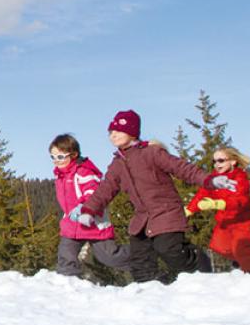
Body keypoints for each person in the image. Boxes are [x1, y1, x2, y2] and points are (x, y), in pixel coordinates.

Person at [69, 109, 228, 283]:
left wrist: (209, 180)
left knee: (169, 250)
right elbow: (105, 189)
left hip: (166, 213)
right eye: (110, 132)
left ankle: (199, 262)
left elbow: (182, 168)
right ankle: (153, 289)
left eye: (118, 131)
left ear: (131, 132)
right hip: (142, 219)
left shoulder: (152, 153)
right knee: (140, 261)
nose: (113, 135)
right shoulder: (118, 164)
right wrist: (89, 210)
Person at [50, 133, 131, 277]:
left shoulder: (84, 171)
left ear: (74, 154)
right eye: (53, 157)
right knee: (66, 253)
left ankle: (141, 257)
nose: (56, 161)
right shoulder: (61, 175)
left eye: (60, 157)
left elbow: (93, 193)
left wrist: (82, 208)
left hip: (92, 221)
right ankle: (67, 279)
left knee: (109, 256)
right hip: (72, 222)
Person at [187, 145, 250, 273]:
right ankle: (241, 260)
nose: (217, 164)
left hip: (242, 222)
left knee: (240, 249)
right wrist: (189, 210)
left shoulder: (240, 177)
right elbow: (201, 194)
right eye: (214, 161)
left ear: (233, 161)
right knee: (219, 247)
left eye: (221, 160)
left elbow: (241, 200)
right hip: (224, 222)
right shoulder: (214, 179)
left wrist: (218, 204)